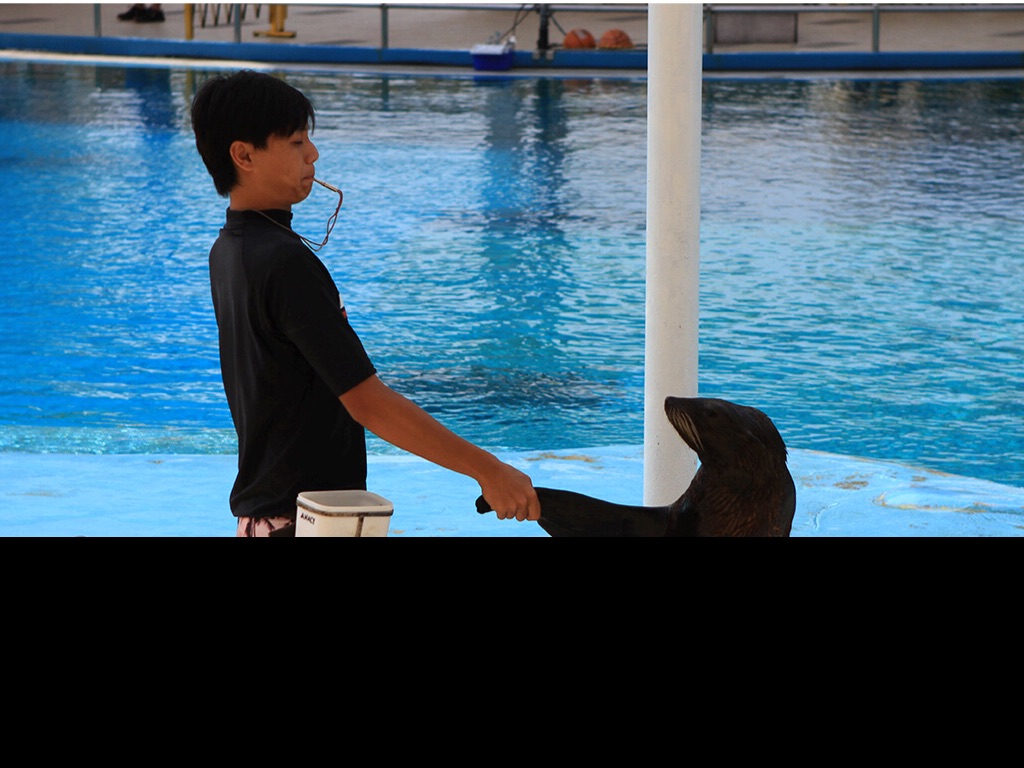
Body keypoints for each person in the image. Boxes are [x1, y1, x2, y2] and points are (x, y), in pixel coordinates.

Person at [190, 70, 540, 536]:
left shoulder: (228, 250)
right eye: (296, 142)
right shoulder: (284, 263)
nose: (313, 153)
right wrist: (489, 470)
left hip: (263, 518)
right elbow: (367, 402)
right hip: (304, 521)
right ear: (244, 155)